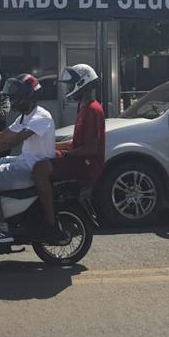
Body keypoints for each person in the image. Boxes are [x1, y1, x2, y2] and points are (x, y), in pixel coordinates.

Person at [0, 74, 56, 246]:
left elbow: (12, 140)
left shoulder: (40, 116)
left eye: (16, 97)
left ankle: (1, 228)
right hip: (24, 161)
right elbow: (3, 135)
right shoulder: (24, 116)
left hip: (33, 166)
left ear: (28, 96)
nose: (13, 101)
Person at [32, 64, 105, 241]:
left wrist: (65, 154)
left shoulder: (93, 109)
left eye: (72, 84)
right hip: (78, 159)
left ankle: (50, 222)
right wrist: (56, 146)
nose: (70, 88)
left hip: (86, 165)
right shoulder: (83, 107)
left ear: (82, 83)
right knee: (41, 158)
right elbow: (78, 143)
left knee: (39, 169)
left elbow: (91, 148)